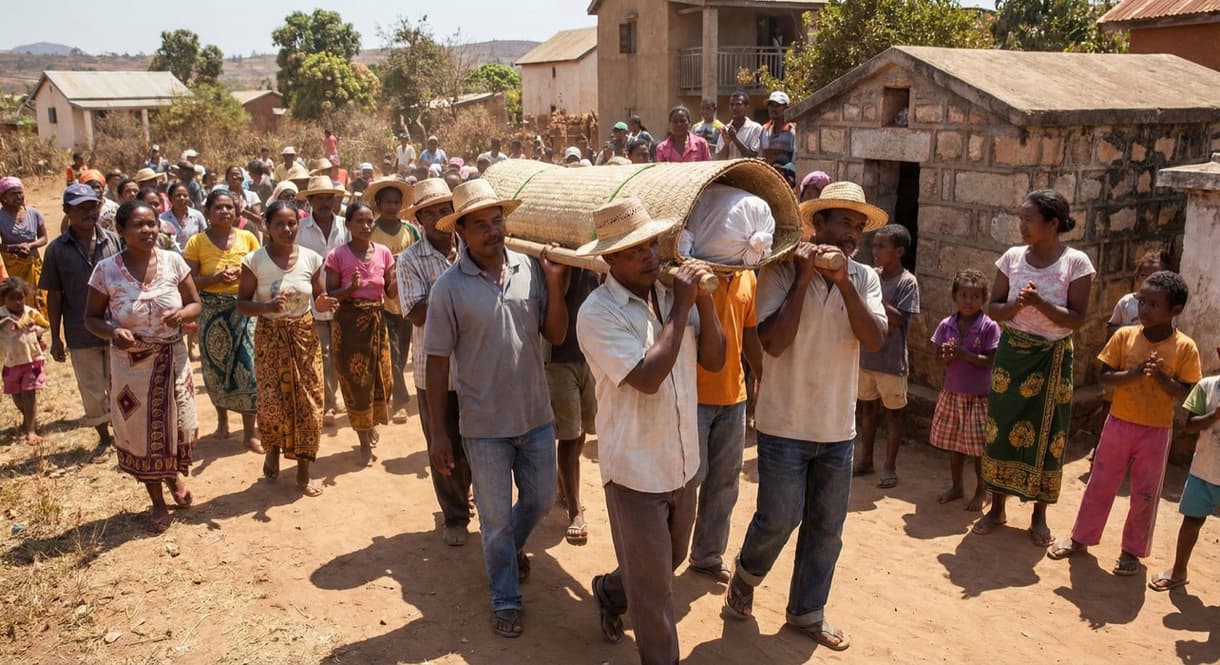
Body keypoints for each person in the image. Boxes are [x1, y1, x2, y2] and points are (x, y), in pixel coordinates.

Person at [724, 181, 888, 651]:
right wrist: (804, 278)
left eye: (859, 227)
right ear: (819, 224)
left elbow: (874, 339)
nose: (852, 235)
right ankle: (747, 574)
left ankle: (806, 611)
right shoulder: (777, 271)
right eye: (844, 223)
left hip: (837, 428)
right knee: (778, 518)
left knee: (826, 530)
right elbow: (773, 343)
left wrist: (841, 281)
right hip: (783, 424)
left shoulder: (864, 278)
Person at [576, 197, 726, 662]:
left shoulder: (669, 296)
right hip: (635, 473)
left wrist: (705, 302)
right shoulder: (598, 313)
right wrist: (683, 308)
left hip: (682, 464)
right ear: (609, 259)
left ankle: (611, 590)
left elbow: (717, 360)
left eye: (651, 245)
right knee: (658, 593)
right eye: (634, 249)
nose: (649, 255)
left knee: (667, 563)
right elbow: (646, 378)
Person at [423, 180, 568, 638]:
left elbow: (557, 335)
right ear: (461, 231)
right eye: (480, 224)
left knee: (542, 499)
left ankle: (505, 551)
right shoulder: (448, 288)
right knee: (494, 517)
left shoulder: (528, 267)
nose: (492, 230)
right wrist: (438, 434)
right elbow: (437, 362)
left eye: (497, 219)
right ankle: (505, 597)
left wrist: (558, 286)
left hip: (536, 416)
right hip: (483, 425)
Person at [1047, 270, 1200, 574]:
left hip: (1156, 430)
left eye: (1154, 304)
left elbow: (1184, 392)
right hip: (1119, 423)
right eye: (1142, 301)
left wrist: (1158, 376)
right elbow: (1104, 376)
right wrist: (1134, 374)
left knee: (1144, 493)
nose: (1144, 309)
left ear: (1175, 310)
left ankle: (1131, 551)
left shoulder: (1184, 347)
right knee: (1100, 484)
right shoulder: (1124, 336)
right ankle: (1081, 538)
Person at [972, 190, 1095, 547]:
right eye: (1021, 218)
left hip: (1054, 359)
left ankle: (1039, 515)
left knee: (1050, 433)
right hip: (1013, 356)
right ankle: (997, 507)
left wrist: (1039, 302)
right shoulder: (1011, 258)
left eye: (1029, 219)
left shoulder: (1076, 264)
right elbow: (993, 309)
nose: (1022, 226)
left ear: (1052, 223)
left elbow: (1076, 320)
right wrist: (1015, 306)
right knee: (1001, 427)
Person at [84, 200, 201, 534]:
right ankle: (158, 503)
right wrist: (112, 331)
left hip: (173, 359)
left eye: (151, 223)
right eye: (138, 224)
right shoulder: (105, 271)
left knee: (178, 425)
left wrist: (183, 314)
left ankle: (173, 476)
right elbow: (91, 318)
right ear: (121, 230)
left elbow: (195, 303)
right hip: (132, 367)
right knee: (142, 434)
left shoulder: (174, 262)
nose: (147, 230)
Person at [238, 201, 338, 497]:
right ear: (267, 226)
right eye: (279, 224)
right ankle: (273, 450)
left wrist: (323, 303)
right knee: (273, 402)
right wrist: (266, 307)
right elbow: (242, 305)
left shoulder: (311, 258)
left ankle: (304, 472)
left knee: (310, 402)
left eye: (292, 223)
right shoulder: (254, 261)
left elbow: (320, 296)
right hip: (270, 337)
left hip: (304, 336)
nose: (287, 229)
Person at [396, 178, 472, 546]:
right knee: (443, 445)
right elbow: (417, 312)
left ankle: (470, 499)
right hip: (434, 373)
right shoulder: (409, 259)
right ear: (421, 218)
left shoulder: (472, 248)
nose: (442, 218)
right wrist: (458, 289)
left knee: (479, 443)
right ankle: (455, 515)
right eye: (434, 212)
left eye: (447, 210)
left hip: (475, 367)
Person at [688, 268, 762, 583]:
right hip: (691, 396)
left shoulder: (748, 277)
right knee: (687, 482)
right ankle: (660, 557)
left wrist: (763, 377)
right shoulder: (693, 273)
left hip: (734, 396)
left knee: (724, 482)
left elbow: (749, 332)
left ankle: (707, 555)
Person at [41, 183, 122, 451]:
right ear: (67, 211)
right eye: (81, 209)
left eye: (93, 206)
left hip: (116, 327)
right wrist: (55, 337)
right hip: (79, 330)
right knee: (92, 389)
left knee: (121, 384)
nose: (89, 213)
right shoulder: (56, 250)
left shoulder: (115, 240)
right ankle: (104, 438)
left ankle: (124, 435)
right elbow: (54, 295)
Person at [184, 191, 262, 452]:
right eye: (219, 207)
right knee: (216, 369)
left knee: (248, 369)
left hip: (244, 310)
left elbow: (259, 270)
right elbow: (190, 280)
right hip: (212, 313)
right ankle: (222, 422)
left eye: (229, 207)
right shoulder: (196, 242)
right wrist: (215, 278)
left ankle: (250, 433)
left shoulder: (248, 238)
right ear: (207, 211)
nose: (225, 212)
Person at [325, 201, 395, 466]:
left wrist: (400, 275)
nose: (366, 226)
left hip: (377, 322)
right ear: (349, 225)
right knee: (357, 384)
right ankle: (363, 441)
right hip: (349, 324)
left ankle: (370, 424)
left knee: (381, 380)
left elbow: (390, 292)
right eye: (359, 221)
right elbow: (329, 295)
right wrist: (349, 288)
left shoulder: (384, 253)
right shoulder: (337, 256)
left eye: (369, 221)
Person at [855, 224, 920, 488]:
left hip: (891, 362)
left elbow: (898, 319)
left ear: (899, 251)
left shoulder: (907, 282)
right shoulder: (872, 276)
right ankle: (866, 459)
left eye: (882, 246)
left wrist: (874, 295)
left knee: (894, 414)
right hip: (867, 358)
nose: (876, 251)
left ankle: (889, 466)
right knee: (867, 409)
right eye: (875, 245)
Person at [930, 269, 1000, 511]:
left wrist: (963, 354)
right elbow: (937, 358)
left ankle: (982, 490)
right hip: (952, 393)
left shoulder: (989, 326)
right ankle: (957, 486)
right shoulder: (946, 325)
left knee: (979, 448)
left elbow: (990, 360)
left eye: (975, 297)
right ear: (955, 297)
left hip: (978, 397)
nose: (969, 301)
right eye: (964, 295)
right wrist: (947, 355)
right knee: (954, 444)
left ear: (984, 299)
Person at [1148, 356, 1220, 591]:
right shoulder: (1207, 386)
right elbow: (1189, 426)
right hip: (1204, 470)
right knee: (1192, 521)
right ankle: (1179, 570)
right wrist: (1214, 416)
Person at [546, 265, 601, 544]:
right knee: (569, 435)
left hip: (588, 355)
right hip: (559, 358)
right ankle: (575, 509)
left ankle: (564, 489)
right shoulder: (555, 258)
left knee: (580, 432)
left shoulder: (591, 259)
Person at [295, 176, 349, 425]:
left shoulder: (346, 226)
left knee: (340, 351)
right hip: (313, 301)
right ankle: (328, 401)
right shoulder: (300, 230)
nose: (325, 202)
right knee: (323, 351)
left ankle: (337, 394)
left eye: (329, 197)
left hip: (343, 298)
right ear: (310, 201)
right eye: (319, 198)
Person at [366, 177, 420, 424]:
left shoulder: (411, 231)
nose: (391, 206)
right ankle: (400, 400)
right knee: (393, 352)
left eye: (396, 202)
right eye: (387, 202)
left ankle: (391, 393)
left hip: (408, 302)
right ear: (378, 204)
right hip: (381, 302)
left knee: (403, 349)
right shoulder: (371, 232)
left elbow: (420, 257)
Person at [0, 278, 49, 443]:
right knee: (17, 396)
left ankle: (31, 430)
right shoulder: (1, 315)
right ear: (4, 299)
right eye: (11, 299)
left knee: (29, 394)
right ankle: (28, 417)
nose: (17, 302)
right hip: (11, 363)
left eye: (20, 297)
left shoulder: (31, 313)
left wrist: (37, 330)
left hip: (32, 361)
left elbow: (45, 325)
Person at [0, 177, 48, 312]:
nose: (18, 196)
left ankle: (37, 329)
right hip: (12, 267)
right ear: (4, 197)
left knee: (38, 297)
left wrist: (30, 245)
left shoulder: (34, 213)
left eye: (20, 192)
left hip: (34, 263)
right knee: (14, 296)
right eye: (13, 194)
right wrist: (14, 248)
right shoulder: (1, 217)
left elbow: (44, 238)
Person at [160, 183, 208, 251]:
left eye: (185, 196)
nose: (182, 198)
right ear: (170, 198)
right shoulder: (163, 218)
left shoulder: (197, 216)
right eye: (178, 195)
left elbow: (205, 237)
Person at [716, 91, 763, 160]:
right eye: (732, 105)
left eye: (738, 104)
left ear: (747, 107)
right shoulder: (725, 130)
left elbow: (753, 157)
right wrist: (726, 144)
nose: (734, 108)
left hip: (747, 170)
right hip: (729, 170)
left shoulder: (755, 128)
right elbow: (720, 159)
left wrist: (735, 139)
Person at [225, 165, 264, 236]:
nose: (234, 177)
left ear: (242, 178)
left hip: (250, 233)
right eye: (231, 175)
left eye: (237, 174)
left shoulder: (252, 196)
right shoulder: (222, 196)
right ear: (226, 179)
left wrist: (243, 212)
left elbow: (258, 220)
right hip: (227, 235)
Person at [760, 91, 796, 164]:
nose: (773, 109)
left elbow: (795, 159)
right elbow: (761, 155)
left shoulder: (792, 131)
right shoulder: (764, 130)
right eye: (771, 105)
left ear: (786, 108)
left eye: (777, 106)